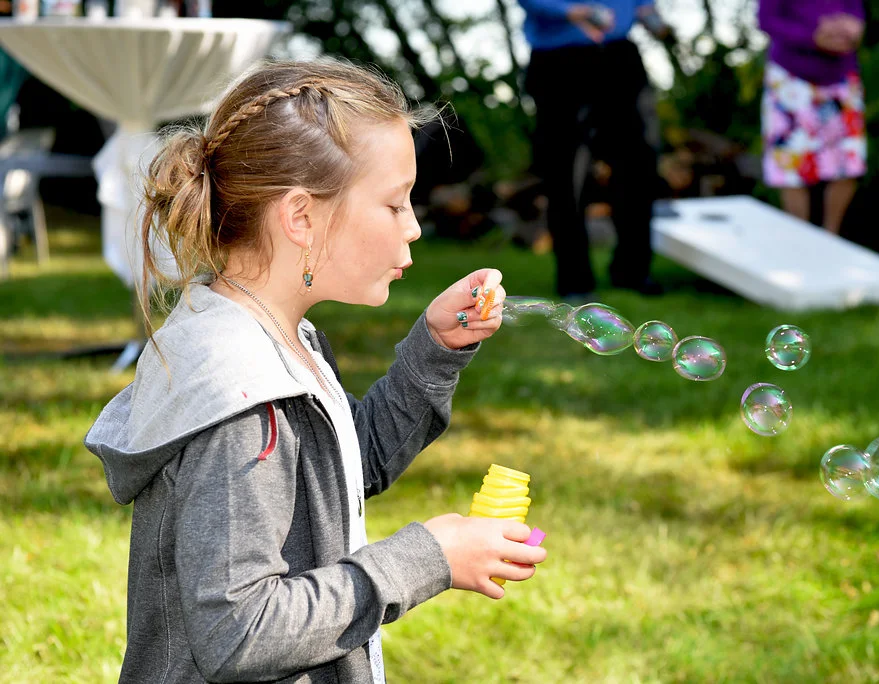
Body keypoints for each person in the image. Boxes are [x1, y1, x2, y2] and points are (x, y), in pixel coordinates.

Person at [83, 59, 547, 684]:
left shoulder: (278, 340)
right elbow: (237, 631)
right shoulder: (242, 396)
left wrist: (435, 348)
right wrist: (426, 558)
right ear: (301, 217)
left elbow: (347, 468)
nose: (413, 226)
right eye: (394, 204)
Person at [519, 0, 671, 299]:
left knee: (639, 168)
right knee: (565, 175)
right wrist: (572, 11)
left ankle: (632, 270)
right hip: (559, 62)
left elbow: (643, 7)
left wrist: (654, 19)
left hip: (619, 58)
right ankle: (574, 280)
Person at [758, 0, 867, 234]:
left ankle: (831, 239)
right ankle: (800, 241)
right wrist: (812, 36)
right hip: (790, 78)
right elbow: (766, 20)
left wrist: (850, 30)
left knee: (848, 161)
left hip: (841, 78)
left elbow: (856, 14)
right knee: (790, 166)